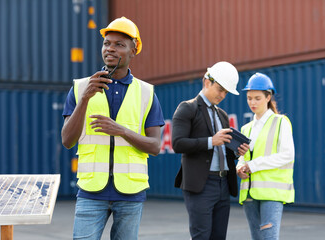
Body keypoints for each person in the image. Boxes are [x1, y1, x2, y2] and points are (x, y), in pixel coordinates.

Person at [61, 17, 165, 240]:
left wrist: (122, 131)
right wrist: (85, 99)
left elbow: (155, 146)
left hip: (130, 193)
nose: (110, 48)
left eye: (119, 44)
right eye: (107, 43)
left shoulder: (147, 93)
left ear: (133, 50)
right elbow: (67, 140)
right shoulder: (80, 88)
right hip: (91, 192)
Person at [172, 61, 250, 240]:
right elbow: (178, 143)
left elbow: (223, 149)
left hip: (222, 183)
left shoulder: (222, 115)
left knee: (218, 237)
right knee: (202, 236)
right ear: (207, 81)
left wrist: (238, 151)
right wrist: (210, 141)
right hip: (201, 184)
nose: (223, 95)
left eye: (226, 92)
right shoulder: (187, 108)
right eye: (220, 89)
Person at [236, 73, 295, 240]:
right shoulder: (246, 128)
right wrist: (239, 167)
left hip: (271, 193)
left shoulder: (280, 122)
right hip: (249, 193)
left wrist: (254, 165)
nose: (252, 103)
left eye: (257, 98)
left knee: (269, 238)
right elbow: (243, 157)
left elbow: (288, 155)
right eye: (249, 98)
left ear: (268, 97)